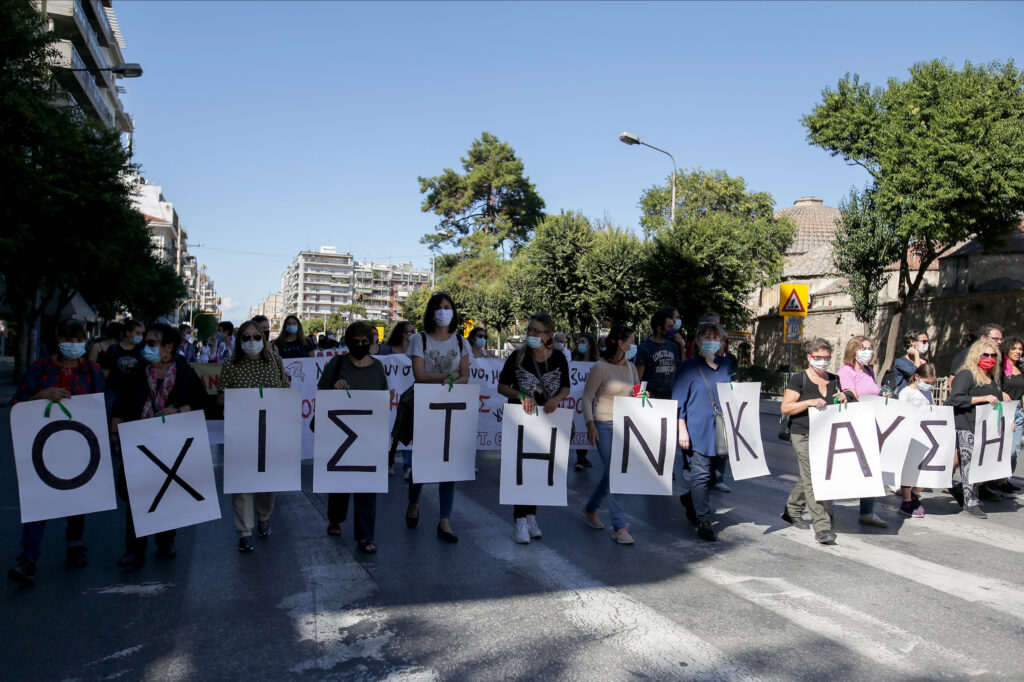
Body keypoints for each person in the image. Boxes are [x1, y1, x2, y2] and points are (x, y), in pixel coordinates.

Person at [7, 319, 106, 585]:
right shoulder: (40, 368)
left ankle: (75, 545)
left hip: (79, 445)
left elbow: (101, 405)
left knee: (78, 495)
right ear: (59, 340)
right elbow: (18, 402)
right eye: (68, 339)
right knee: (39, 498)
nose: (74, 344)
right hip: (44, 445)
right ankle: (28, 557)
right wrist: (42, 395)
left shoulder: (92, 370)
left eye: (79, 339)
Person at [110, 323, 208, 568]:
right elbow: (121, 404)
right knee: (137, 494)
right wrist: (114, 432)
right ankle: (134, 550)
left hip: (173, 441)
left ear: (169, 346)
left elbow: (203, 404)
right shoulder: (136, 373)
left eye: (153, 343)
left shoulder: (185, 374)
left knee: (168, 492)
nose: (147, 347)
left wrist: (179, 411)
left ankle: (166, 540)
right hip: (139, 440)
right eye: (146, 343)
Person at [497, 313, 571, 544]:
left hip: (547, 420)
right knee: (521, 469)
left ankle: (531, 516)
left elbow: (566, 387)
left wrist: (556, 399)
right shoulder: (517, 356)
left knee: (538, 468)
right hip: (521, 420)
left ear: (548, 335)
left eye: (536, 331)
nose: (530, 334)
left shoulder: (558, 358)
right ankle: (519, 519)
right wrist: (521, 395)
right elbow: (502, 386)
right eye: (529, 330)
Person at [317, 321, 388, 553]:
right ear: (348, 342)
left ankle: (365, 536)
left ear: (371, 342)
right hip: (340, 434)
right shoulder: (336, 364)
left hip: (368, 436)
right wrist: (334, 389)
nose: (360, 345)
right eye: (355, 341)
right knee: (340, 483)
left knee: (367, 485)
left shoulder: (377, 368)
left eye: (364, 341)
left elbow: (382, 398)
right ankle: (335, 518)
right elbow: (321, 394)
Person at [218, 320, 289, 552]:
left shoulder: (275, 362)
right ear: (239, 340)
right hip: (241, 432)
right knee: (242, 482)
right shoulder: (230, 365)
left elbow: (285, 391)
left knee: (269, 481)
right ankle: (244, 531)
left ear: (264, 338)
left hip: (271, 431)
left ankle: (264, 516)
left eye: (256, 337)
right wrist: (235, 401)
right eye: (246, 337)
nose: (252, 341)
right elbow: (220, 397)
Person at [406, 292, 470, 543]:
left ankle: (445, 520)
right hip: (425, 405)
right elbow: (420, 375)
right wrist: (446, 378)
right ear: (431, 312)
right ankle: (413, 502)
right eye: (440, 307)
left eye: (448, 307)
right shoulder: (419, 340)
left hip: (452, 406)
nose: (444, 311)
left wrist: (454, 381)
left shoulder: (461, 342)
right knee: (423, 459)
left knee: (449, 462)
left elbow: (465, 376)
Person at [780, 338, 853, 544]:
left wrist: (844, 398)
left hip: (826, 435)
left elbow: (839, 403)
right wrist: (809, 402)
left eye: (827, 357)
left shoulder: (835, 379)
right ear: (809, 357)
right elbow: (786, 407)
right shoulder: (799, 379)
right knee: (813, 478)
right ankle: (821, 526)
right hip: (802, 433)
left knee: (808, 476)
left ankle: (792, 509)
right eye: (818, 357)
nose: (823, 361)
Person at [674, 322, 733, 542]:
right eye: (707, 337)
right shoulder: (688, 367)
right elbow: (678, 401)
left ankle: (690, 499)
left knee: (715, 476)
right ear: (698, 340)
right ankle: (704, 520)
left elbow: (733, 393)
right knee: (701, 475)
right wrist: (681, 429)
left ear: (721, 341)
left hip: (721, 429)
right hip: (697, 428)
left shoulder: (726, 365)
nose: (711, 341)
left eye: (715, 338)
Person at [581, 324, 640, 545]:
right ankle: (619, 526)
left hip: (625, 425)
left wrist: (643, 396)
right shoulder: (600, 367)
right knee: (616, 473)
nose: (634, 345)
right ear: (620, 343)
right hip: (604, 424)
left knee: (612, 473)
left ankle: (590, 508)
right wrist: (590, 424)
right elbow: (587, 398)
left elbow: (637, 391)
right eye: (631, 341)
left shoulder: (631, 368)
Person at [946, 339, 1010, 518]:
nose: (990, 358)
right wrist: (981, 399)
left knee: (986, 465)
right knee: (970, 465)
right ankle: (971, 502)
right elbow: (954, 399)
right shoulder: (966, 374)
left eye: (993, 355)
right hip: (967, 425)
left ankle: (962, 490)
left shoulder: (991, 378)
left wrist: (1007, 420)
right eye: (985, 354)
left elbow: (996, 403)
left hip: (986, 428)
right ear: (976, 355)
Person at [837, 335, 889, 528]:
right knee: (845, 468)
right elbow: (852, 396)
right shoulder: (846, 372)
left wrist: (882, 394)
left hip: (871, 423)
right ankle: (825, 505)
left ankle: (867, 512)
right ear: (853, 351)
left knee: (871, 468)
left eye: (869, 348)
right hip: (856, 424)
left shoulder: (869, 371)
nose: (868, 351)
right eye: (863, 348)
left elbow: (872, 393)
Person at [896, 363, 938, 517]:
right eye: (927, 382)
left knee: (926, 468)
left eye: (932, 383)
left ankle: (914, 493)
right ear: (917, 377)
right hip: (911, 434)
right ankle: (907, 500)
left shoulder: (925, 393)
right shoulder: (906, 393)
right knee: (909, 468)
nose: (929, 386)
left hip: (924, 434)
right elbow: (902, 411)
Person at [380, 321, 414, 475]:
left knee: (407, 427)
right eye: (410, 331)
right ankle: (389, 461)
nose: (413, 334)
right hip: (391, 395)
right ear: (402, 334)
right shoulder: (387, 349)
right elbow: (379, 367)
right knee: (391, 428)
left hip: (408, 396)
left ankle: (408, 465)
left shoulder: (415, 351)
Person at [635, 308, 683, 401]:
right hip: (650, 399)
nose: (673, 330)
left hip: (669, 398)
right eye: (670, 327)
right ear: (659, 329)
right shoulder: (644, 348)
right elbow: (637, 378)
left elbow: (674, 372)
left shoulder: (673, 346)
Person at [97, 319, 143, 410]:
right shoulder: (113, 349)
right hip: (114, 394)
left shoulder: (142, 350)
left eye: (141, 333)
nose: (140, 336)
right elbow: (105, 372)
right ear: (128, 333)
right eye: (137, 333)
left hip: (134, 395)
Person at [1000, 337, 1023, 494]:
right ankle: (993, 480)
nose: (1018, 351)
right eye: (1014, 348)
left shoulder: (1021, 368)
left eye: (1020, 349)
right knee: (1004, 448)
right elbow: (992, 385)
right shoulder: (1001, 368)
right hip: (1003, 410)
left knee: (1015, 449)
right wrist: (1000, 392)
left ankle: (1004, 481)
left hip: (1017, 411)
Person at [893, 330, 929, 394]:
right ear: (912, 342)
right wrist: (916, 354)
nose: (926, 344)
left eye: (927, 342)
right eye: (923, 341)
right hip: (905, 396)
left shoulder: (924, 361)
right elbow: (916, 375)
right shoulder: (900, 362)